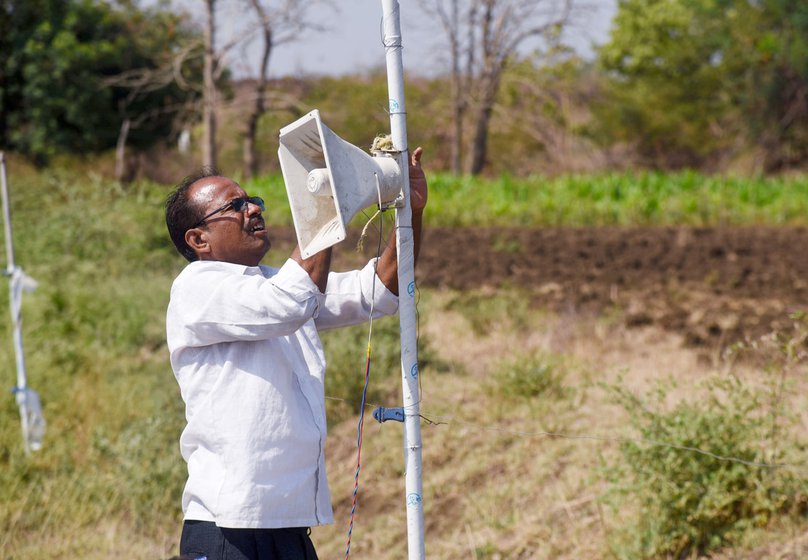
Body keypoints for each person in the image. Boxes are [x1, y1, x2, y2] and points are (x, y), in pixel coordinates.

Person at [164, 148, 427, 560]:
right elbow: (289, 302)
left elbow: (379, 291)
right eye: (235, 206)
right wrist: (325, 203)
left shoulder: (271, 283)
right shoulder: (196, 287)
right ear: (199, 240)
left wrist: (410, 213)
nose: (253, 209)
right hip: (227, 529)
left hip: (289, 530)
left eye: (254, 201)